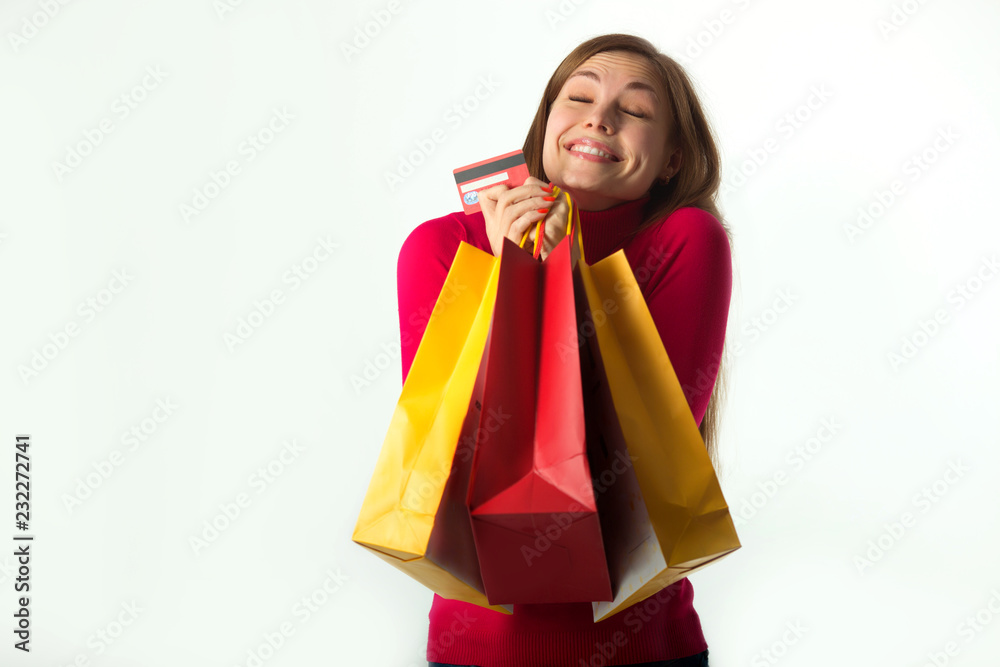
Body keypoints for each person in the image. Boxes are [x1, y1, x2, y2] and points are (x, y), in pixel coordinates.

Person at [396, 33, 734, 667]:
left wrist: (552, 271)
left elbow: (645, 451)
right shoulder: (440, 246)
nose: (599, 117)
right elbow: (453, 452)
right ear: (546, 125)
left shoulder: (686, 239)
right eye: (576, 97)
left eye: (634, 111)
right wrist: (505, 272)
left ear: (669, 160)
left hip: (642, 651)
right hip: (477, 650)